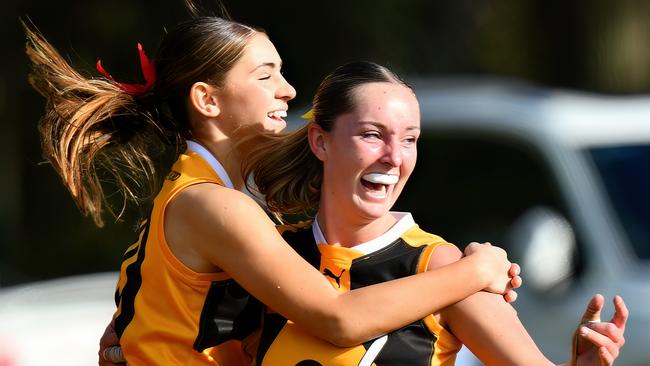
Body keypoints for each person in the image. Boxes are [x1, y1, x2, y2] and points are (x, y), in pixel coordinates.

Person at [23, 7, 523, 366]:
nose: (286, 89)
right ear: (207, 100)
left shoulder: (211, 195)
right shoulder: (213, 206)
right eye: (266, 75)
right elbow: (337, 319)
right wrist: (476, 269)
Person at [243, 61, 628, 365]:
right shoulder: (277, 252)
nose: (394, 157)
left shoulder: (444, 266)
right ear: (320, 142)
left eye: (409, 139)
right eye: (372, 135)